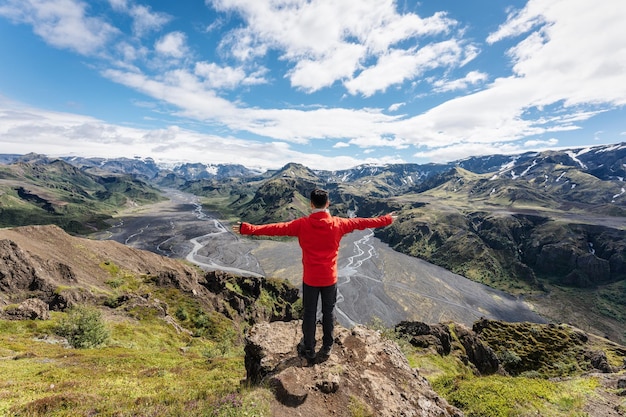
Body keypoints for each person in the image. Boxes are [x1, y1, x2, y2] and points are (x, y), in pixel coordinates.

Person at [233, 188, 396, 362]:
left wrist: (248, 228)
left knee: (309, 313)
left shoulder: (302, 224)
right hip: (329, 279)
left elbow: (275, 228)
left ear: (311, 204)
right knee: (329, 312)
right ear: (328, 203)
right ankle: (327, 347)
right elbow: (362, 222)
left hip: (310, 279)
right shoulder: (339, 223)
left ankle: (309, 348)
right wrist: (386, 219)